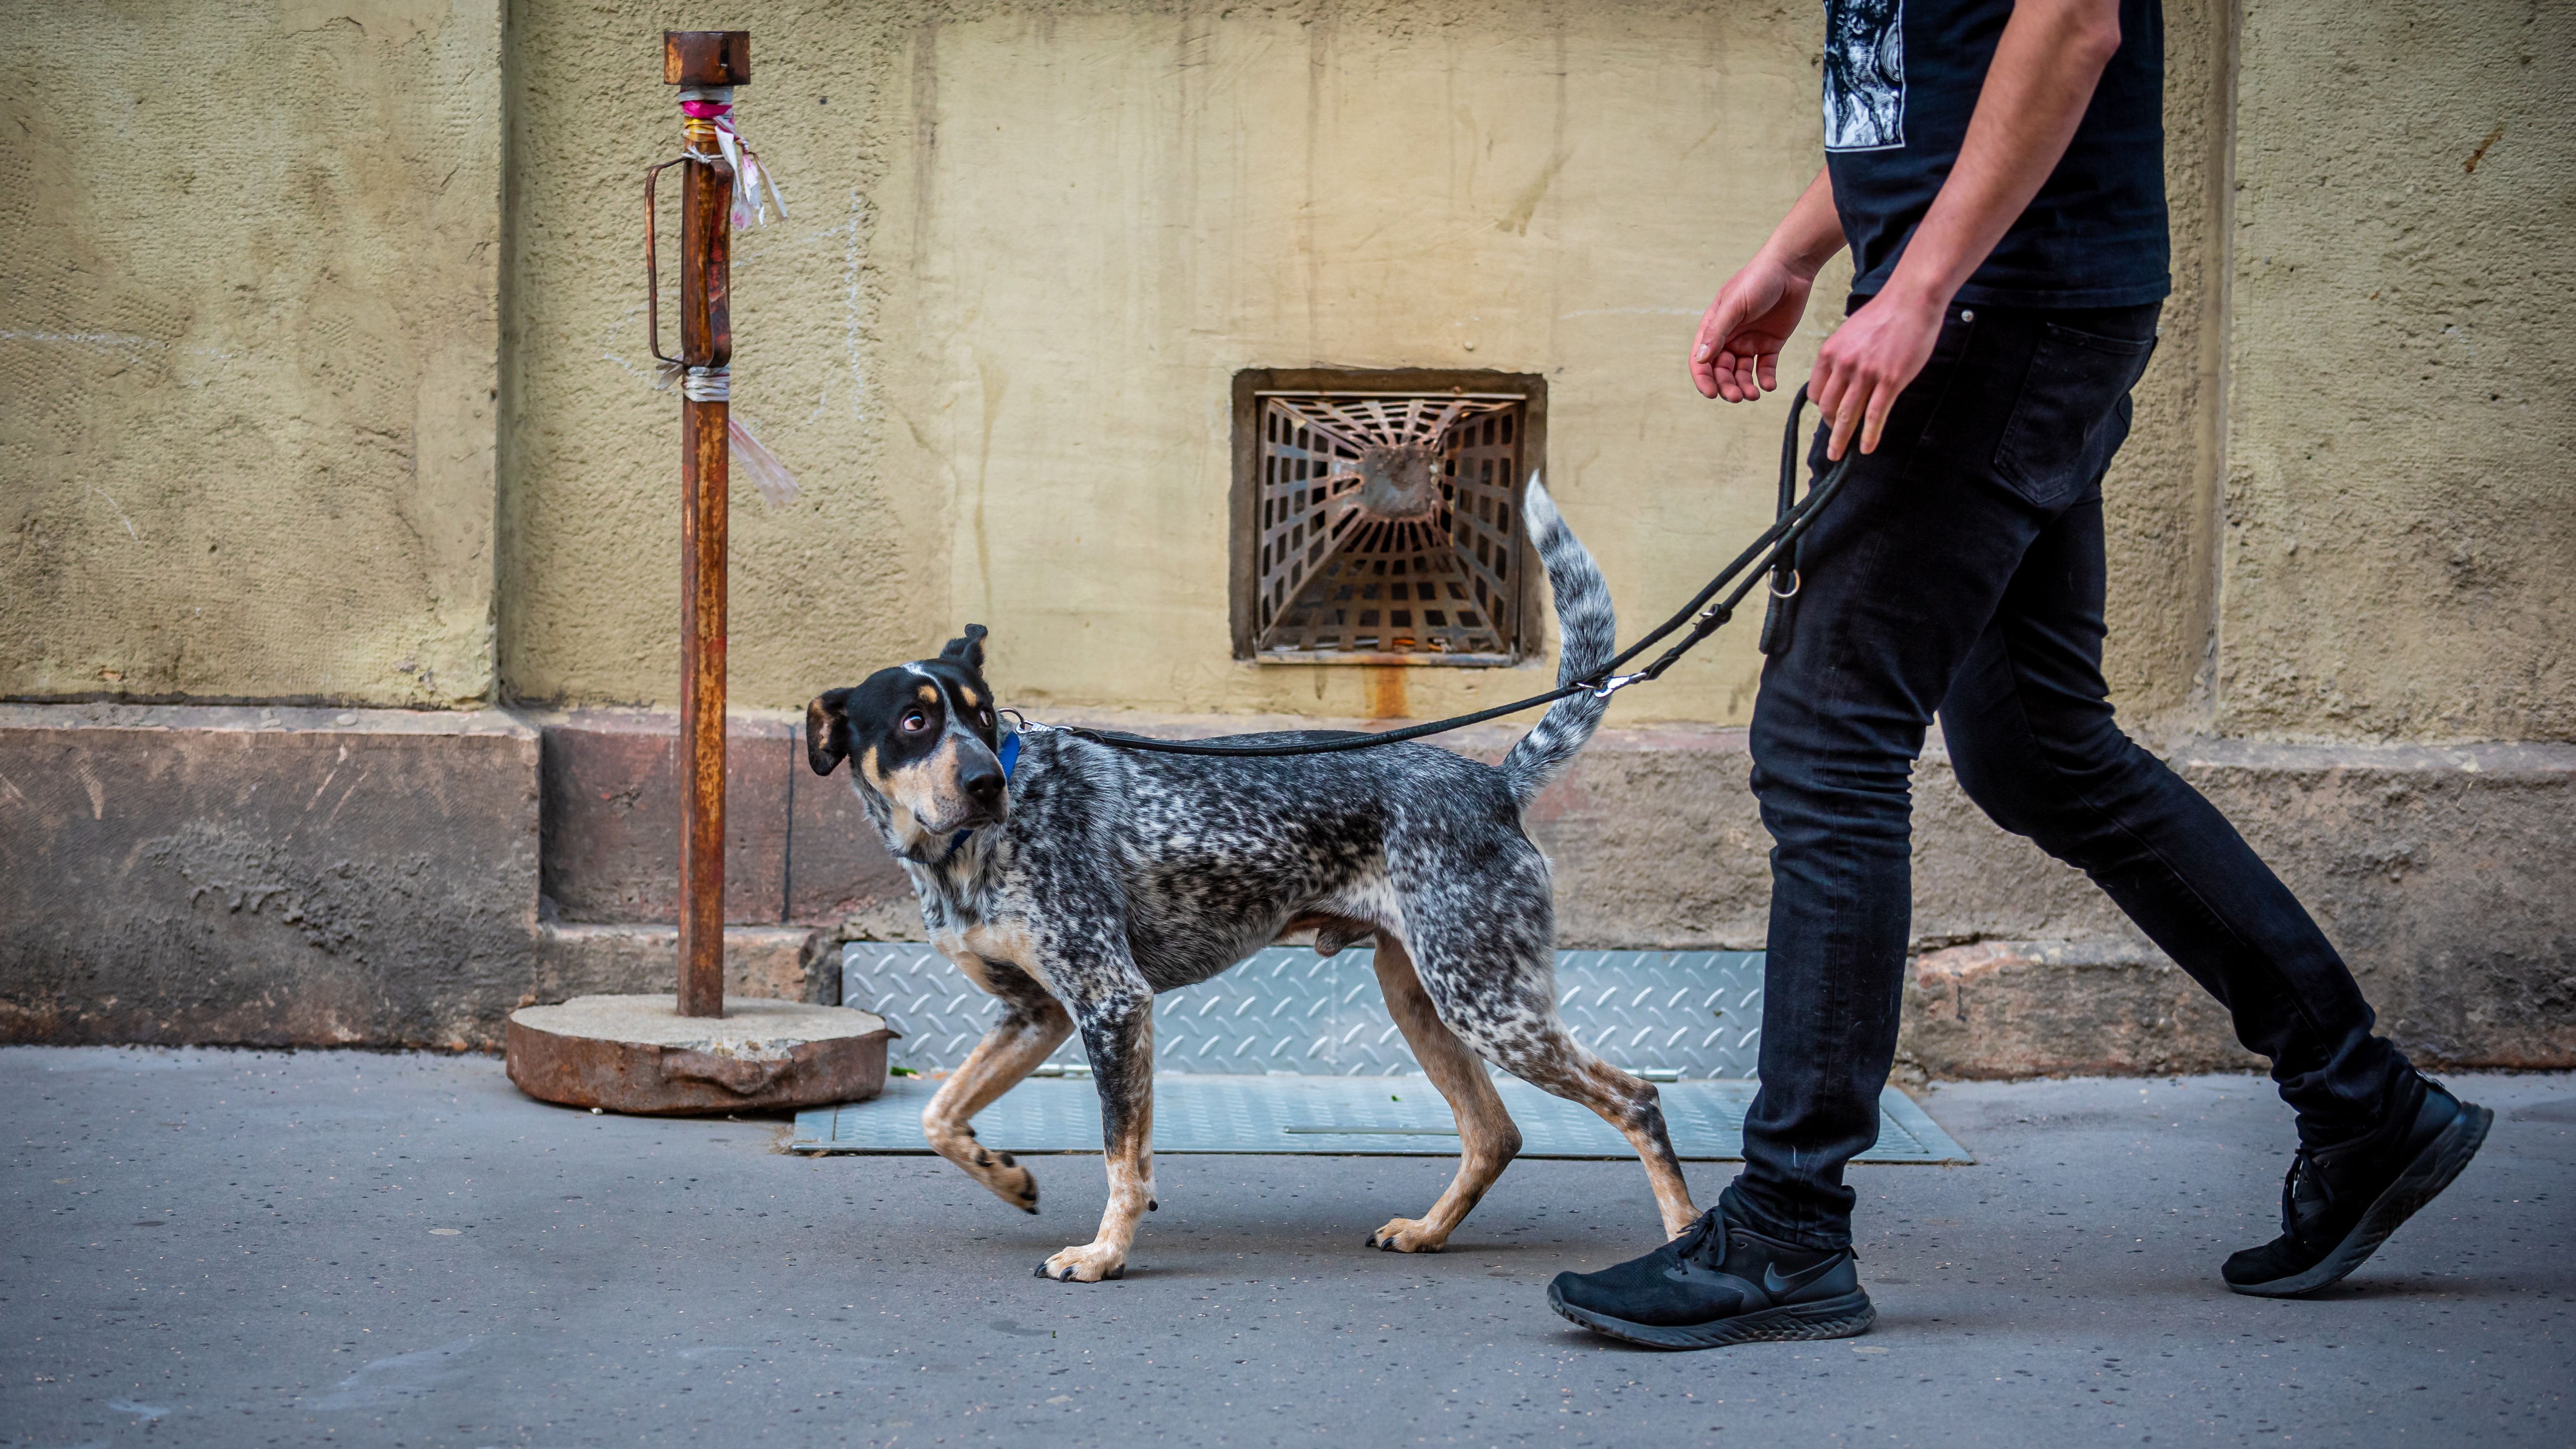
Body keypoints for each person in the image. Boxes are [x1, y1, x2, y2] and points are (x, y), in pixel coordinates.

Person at [1544, 0, 2492, 1351]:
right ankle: (2363, 1102)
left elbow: (2068, 24)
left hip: (1998, 308)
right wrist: (1799, 250)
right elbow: (1919, 82)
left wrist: (1919, 289)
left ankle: (1787, 1227)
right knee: (2034, 741)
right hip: (2011, 298)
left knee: (1825, 741)